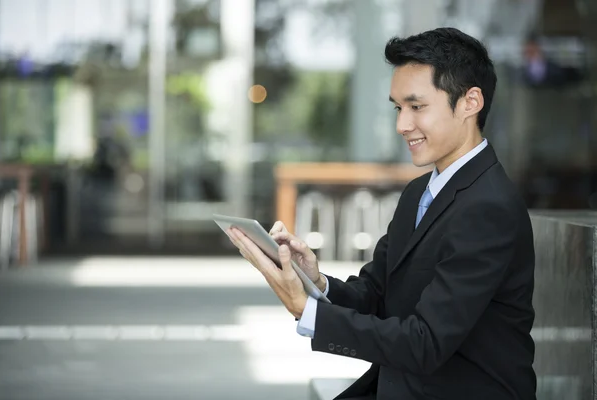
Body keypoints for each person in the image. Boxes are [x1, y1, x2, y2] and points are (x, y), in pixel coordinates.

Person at [227, 27, 536, 400]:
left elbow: (425, 343)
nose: (402, 125)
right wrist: (315, 282)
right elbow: (377, 295)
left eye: (417, 106)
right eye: (398, 107)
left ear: (471, 102)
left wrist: (306, 310)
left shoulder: (490, 207)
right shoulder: (419, 192)